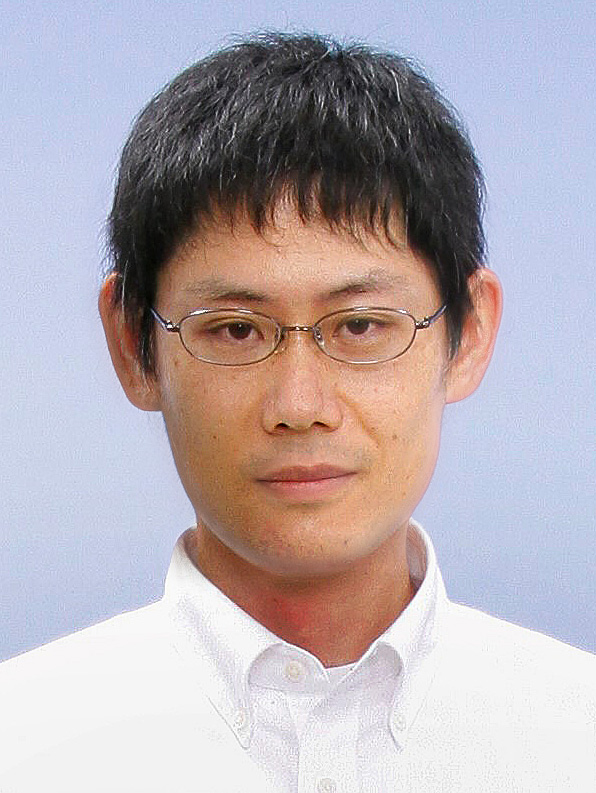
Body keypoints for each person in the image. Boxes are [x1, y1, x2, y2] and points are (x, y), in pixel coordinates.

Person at [0, 32, 593, 793]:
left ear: (469, 332)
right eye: (236, 330)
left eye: (361, 326)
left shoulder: (577, 739)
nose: (300, 406)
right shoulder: (24, 743)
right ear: (132, 345)